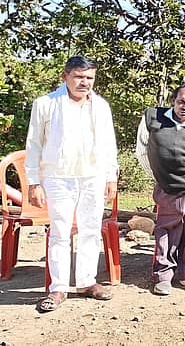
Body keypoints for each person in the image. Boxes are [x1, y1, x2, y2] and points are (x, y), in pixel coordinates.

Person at [25, 56, 117, 312]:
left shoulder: (100, 106)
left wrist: (111, 176)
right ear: (65, 76)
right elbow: (33, 145)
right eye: (78, 76)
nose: (84, 82)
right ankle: (58, 287)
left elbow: (109, 144)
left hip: (93, 176)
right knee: (60, 231)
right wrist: (34, 182)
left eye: (89, 77)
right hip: (57, 177)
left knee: (90, 229)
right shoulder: (45, 104)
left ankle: (87, 282)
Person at [137, 83, 185, 296]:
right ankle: (163, 276)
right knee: (167, 228)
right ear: (173, 101)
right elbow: (142, 150)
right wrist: (159, 176)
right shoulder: (153, 118)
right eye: (181, 101)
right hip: (167, 185)